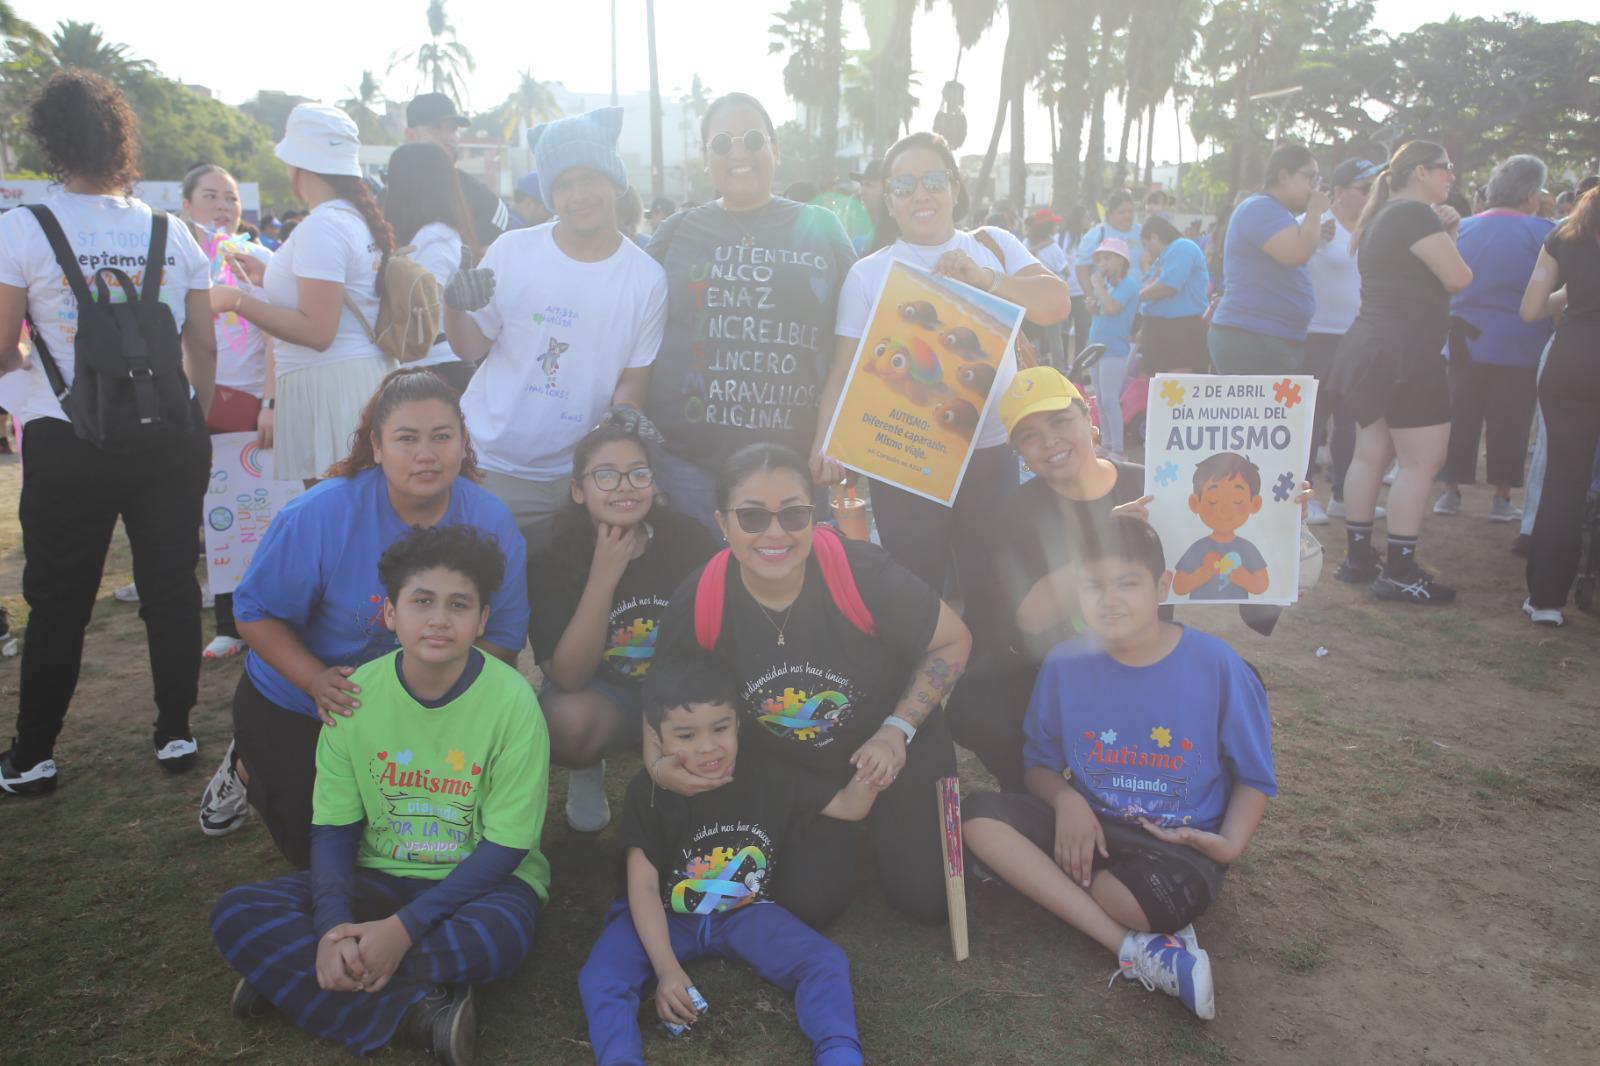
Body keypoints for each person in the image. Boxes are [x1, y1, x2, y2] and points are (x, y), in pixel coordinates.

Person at [211, 525, 548, 1065]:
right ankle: (416, 1009)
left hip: (481, 884)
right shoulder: (354, 697)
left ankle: (291, 980)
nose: (439, 618)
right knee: (237, 910)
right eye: (421, 601)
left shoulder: (513, 703)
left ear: (482, 620)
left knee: (498, 938)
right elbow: (335, 828)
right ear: (390, 614)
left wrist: (402, 931)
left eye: (459, 604)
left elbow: (508, 847)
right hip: (380, 873)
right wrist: (329, 929)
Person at [963, 515, 1275, 1021]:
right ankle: (1135, 951)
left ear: (1162, 586)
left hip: (1176, 843)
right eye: (1093, 586)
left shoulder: (1218, 666)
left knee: (1126, 899)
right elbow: (1038, 766)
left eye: (1128, 584)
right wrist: (1067, 800)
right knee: (977, 818)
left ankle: (1075, 898)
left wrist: (1230, 845)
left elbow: (1255, 778)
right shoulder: (1064, 664)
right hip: (1089, 828)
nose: (1109, 600)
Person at [0, 71, 216, 795]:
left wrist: (30, 370)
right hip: (169, 432)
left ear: (51, 140)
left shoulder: (25, 226)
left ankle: (33, 755)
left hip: (67, 434)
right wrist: (193, 412)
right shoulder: (170, 229)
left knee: (59, 597)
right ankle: (177, 731)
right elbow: (203, 343)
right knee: (170, 585)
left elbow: (1, 342)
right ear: (123, 138)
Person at [653, 443, 973, 928]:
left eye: (794, 514)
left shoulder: (862, 572)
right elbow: (663, 690)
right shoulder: (701, 595)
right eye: (752, 517)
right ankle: (849, 834)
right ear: (722, 523)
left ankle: (890, 829)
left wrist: (896, 729)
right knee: (808, 905)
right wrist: (658, 764)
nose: (775, 533)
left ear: (812, 515)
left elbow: (953, 641)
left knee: (925, 902)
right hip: (795, 770)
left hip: (892, 748)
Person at [217, 368, 529, 861]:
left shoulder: (489, 519)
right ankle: (249, 762)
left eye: (441, 437)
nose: (426, 454)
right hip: (311, 702)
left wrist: (456, 711)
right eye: (407, 438)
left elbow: (504, 632)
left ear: (463, 443)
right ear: (377, 446)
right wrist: (316, 680)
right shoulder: (319, 516)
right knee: (321, 848)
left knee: (427, 849)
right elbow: (254, 613)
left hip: (430, 703)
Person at [578, 652, 871, 1066]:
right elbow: (641, 886)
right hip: (666, 915)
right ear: (657, 737)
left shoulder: (769, 773)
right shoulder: (649, 790)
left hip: (745, 912)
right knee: (602, 977)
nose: (708, 747)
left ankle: (839, 1051)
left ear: (738, 723)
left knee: (825, 961)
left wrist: (874, 771)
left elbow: (847, 806)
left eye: (720, 728)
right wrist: (666, 970)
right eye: (685, 735)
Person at [830, 131, 1069, 629]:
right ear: (889, 200)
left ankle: (986, 693)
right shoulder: (868, 274)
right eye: (904, 184)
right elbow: (845, 369)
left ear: (955, 188)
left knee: (994, 590)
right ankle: (923, 699)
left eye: (934, 180)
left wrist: (985, 281)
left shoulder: (993, 246)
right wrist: (826, 443)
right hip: (904, 458)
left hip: (989, 452)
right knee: (916, 595)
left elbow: (1056, 304)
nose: (921, 193)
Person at [443, 107, 666, 552]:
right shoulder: (513, 251)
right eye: (564, 184)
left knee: (556, 603)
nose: (578, 194)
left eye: (590, 178)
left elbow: (632, 384)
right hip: (491, 466)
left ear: (615, 182)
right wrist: (455, 305)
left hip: (578, 483)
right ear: (549, 194)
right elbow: (471, 347)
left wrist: (626, 423)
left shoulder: (646, 278)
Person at [644, 92, 856, 534]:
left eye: (753, 139)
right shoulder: (677, 231)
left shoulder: (821, 227)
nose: (738, 153)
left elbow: (856, 337)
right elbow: (630, 323)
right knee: (700, 593)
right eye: (722, 144)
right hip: (690, 469)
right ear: (706, 158)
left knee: (793, 595)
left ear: (775, 151)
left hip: (797, 466)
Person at [945, 368, 1152, 792]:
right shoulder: (1014, 512)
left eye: (1060, 421)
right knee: (973, 707)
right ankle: (1036, 792)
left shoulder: (1152, 484)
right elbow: (1032, 618)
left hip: (1147, 656)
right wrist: (1103, 544)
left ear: (1089, 419)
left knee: (1239, 683)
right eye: (1029, 435)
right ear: (1020, 453)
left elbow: (1213, 579)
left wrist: (1279, 527)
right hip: (1056, 663)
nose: (1050, 442)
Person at [527, 422, 717, 831]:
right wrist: (603, 577)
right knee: (567, 722)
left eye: (638, 473)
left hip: (676, 690)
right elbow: (569, 676)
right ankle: (588, 768)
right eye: (606, 475)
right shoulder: (551, 555)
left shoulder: (687, 539)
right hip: (603, 691)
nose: (625, 486)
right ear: (579, 490)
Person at [208, 103, 394, 483]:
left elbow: (317, 332)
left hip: (332, 390)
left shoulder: (323, 225)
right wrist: (267, 279)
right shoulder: (348, 220)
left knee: (336, 516)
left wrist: (237, 301)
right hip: (346, 384)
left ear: (298, 167)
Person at [1331, 141, 1473, 606]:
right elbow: (1458, 278)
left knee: (1371, 453)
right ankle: (1399, 570)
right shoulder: (1414, 214)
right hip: (1406, 354)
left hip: (1370, 347)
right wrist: (1448, 234)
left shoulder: (1384, 214)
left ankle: (1358, 558)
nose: (1450, 176)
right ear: (1419, 173)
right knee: (1421, 461)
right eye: (1445, 168)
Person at [183, 163, 277, 661]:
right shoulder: (175, 261)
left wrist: (269, 402)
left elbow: (274, 339)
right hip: (189, 405)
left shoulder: (258, 260)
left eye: (231, 198)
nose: (222, 207)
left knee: (249, 516)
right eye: (210, 196)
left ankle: (259, 620)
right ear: (186, 205)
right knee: (207, 518)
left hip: (245, 409)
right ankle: (226, 619)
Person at [1434, 154, 1555, 524]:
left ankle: (1449, 492)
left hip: (1463, 341)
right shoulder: (1545, 233)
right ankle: (1502, 498)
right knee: (1512, 422)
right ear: (1532, 194)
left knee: (1459, 416)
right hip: (1522, 343)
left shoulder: (1463, 228)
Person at [1518, 184, 1600, 626]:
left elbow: (1531, 309)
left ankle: (1546, 599)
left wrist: (1571, 293)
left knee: (1564, 483)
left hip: (1573, 360)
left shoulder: (1563, 237)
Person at [1209, 144, 1330, 374]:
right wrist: (1315, 211)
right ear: (1283, 176)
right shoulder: (1261, 208)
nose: (1315, 188)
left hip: (1266, 338)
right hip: (1253, 339)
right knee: (1257, 412)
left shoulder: (1273, 210)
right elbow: (1297, 254)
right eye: (1310, 178)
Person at [1306, 158, 1382, 523]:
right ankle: (1306, 498)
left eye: (1373, 188)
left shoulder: (1373, 227)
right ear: (1338, 192)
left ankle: (1342, 495)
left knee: (1350, 421)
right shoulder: (1320, 225)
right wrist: (1314, 236)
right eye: (1363, 189)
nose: (1370, 195)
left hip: (1357, 337)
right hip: (1317, 335)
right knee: (1314, 421)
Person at [382, 141, 481, 394]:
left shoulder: (437, 236)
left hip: (437, 368)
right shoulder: (432, 234)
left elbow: (425, 307)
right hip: (426, 365)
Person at [406, 92, 512, 242]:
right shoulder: (391, 195)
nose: (449, 136)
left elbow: (501, 255)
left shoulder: (484, 200)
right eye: (437, 128)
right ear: (411, 135)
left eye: (453, 129)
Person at [1170, 453, 1270, 600]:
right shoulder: (1198, 548)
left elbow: (1262, 585)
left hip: (1238, 616)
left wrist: (1244, 578)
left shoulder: (1247, 549)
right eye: (1213, 500)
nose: (1224, 509)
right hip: (1200, 614)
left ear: (1254, 504)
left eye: (1237, 500)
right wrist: (1203, 573)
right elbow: (1178, 586)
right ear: (1195, 503)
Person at [1085, 238, 1142, 459]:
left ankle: (1118, 448)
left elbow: (1111, 308)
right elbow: (1101, 310)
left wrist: (1098, 287)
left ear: (1121, 260)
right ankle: (1107, 443)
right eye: (1101, 259)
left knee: (1109, 398)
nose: (1103, 263)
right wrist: (1092, 305)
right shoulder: (1109, 285)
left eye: (1107, 258)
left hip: (1114, 349)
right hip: (1096, 348)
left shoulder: (1128, 285)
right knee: (1099, 398)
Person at [1136, 216, 1211, 375]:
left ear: (1154, 237)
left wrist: (1135, 297)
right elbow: (1150, 286)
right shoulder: (1162, 259)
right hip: (1158, 329)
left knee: (1177, 389)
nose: (1146, 250)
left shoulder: (1182, 247)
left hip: (1179, 330)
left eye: (1146, 245)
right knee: (1155, 390)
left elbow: (1168, 286)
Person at [1074, 189, 1142, 300]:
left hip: (1138, 301)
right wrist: (1091, 297)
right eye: (1122, 212)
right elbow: (1081, 268)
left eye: (1130, 211)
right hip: (1108, 301)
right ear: (1110, 213)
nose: (1128, 216)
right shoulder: (1097, 234)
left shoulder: (1140, 232)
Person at [1026, 208, 1071, 367]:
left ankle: (1034, 365)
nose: (1056, 227)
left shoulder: (1025, 244)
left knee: (1033, 336)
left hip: (1031, 298)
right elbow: (1067, 272)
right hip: (1051, 298)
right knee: (1054, 336)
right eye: (1053, 224)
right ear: (1048, 227)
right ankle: (1060, 369)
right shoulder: (1053, 248)